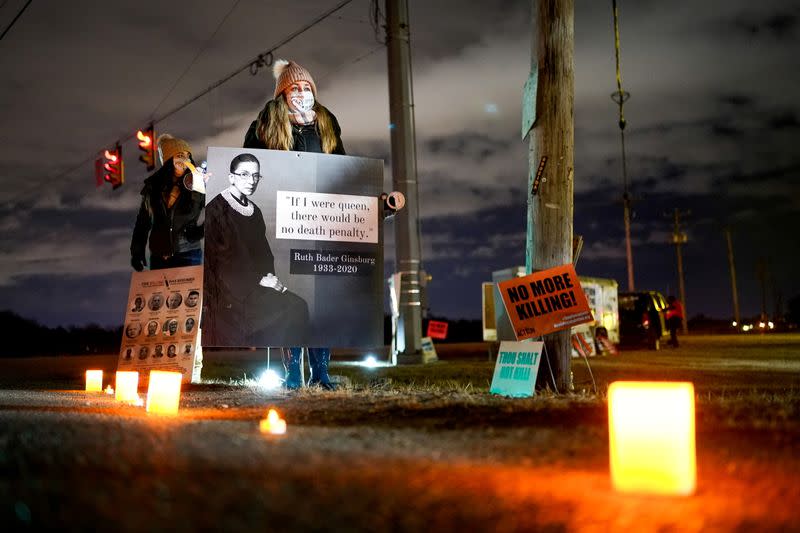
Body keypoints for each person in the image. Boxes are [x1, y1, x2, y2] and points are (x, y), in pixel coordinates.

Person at [243, 59, 404, 390]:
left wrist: (376, 201)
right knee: (291, 298)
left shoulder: (327, 126)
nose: (301, 93)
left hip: (322, 224)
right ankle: (291, 373)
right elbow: (250, 169)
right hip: (284, 225)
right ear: (282, 94)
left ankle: (321, 372)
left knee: (322, 301)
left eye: (307, 88)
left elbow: (346, 175)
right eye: (294, 88)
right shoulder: (263, 125)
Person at [204, 153, 310, 347]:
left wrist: (270, 278)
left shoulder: (255, 210)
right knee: (294, 309)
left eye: (255, 176)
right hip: (231, 290)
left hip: (257, 284)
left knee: (298, 305)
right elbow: (220, 261)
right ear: (231, 177)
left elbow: (263, 253)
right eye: (244, 174)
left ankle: (291, 368)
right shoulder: (216, 209)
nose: (251, 181)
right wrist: (259, 280)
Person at [130, 134, 205, 270]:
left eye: (187, 155)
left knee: (189, 292)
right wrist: (137, 252)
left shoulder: (198, 183)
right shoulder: (153, 187)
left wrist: (200, 231)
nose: (184, 159)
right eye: (179, 155)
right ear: (169, 159)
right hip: (159, 257)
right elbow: (143, 222)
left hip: (188, 254)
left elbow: (216, 211)